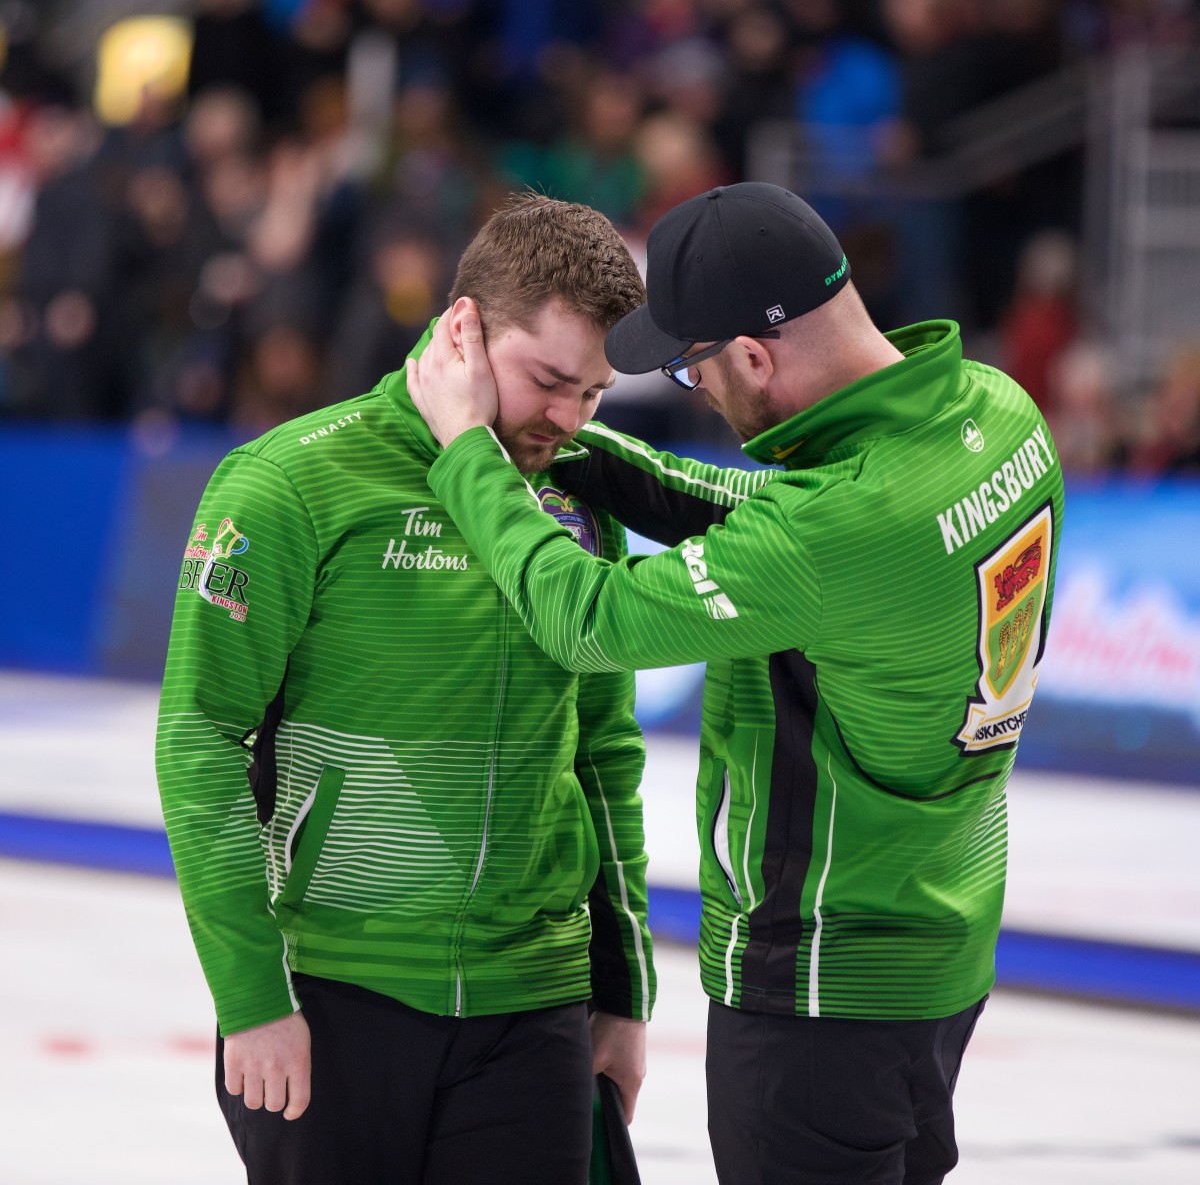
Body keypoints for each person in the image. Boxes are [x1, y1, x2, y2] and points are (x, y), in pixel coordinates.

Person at [407, 181, 1065, 1185]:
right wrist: (579, 447)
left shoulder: (840, 530)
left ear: (755, 355)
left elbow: (585, 617)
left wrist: (465, 448)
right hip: (942, 940)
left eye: (692, 367)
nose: (694, 391)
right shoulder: (998, 411)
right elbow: (782, 524)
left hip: (820, 981)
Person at [155, 194, 655, 1185]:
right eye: (549, 380)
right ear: (463, 330)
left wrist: (621, 993)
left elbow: (605, 754)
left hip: (535, 1004)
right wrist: (252, 997)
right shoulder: (291, 484)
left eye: (594, 393)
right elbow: (200, 738)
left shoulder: (579, 491)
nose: (568, 419)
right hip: (336, 997)